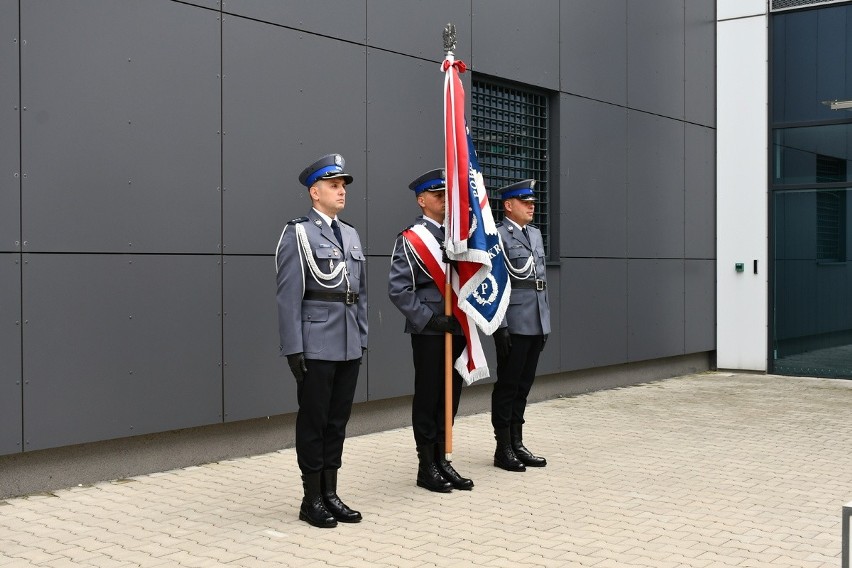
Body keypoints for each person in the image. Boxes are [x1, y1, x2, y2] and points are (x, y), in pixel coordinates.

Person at [275, 153, 368, 528]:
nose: (341, 191)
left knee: (337, 421)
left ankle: (331, 493)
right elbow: (287, 295)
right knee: (314, 421)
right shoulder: (298, 232)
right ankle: (311, 498)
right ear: (315, 192)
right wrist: (293, 348)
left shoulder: (350, 233)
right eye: (334, 185)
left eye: (343, 185)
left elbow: (359, 293)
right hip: (315, 343)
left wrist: (362, 336)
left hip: (347, 343)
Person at [387, 168, 474, 493]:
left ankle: (442, 458)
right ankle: (427, 466)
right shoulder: (411, 239)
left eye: (446, 196)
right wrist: (429, 319)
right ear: (422, 201)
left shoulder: (458, 238)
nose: (445, 201)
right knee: (429, 396)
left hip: (458, 327)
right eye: (439, 196)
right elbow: (399, 289)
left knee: (451, 396)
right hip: (430, 332)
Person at [491, 179, 550, 472]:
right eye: (525, 202)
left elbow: (540, 282)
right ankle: (503, 448)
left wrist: (545, 322)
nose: (531, 206)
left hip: (536, 322)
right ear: (508, 205)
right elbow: (496, 283)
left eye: (532, 202)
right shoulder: (498, 236)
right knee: (508, 386)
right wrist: (500, 326)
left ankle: (517, 442)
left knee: (523, 386)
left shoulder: (536, 235)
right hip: (513, 323)